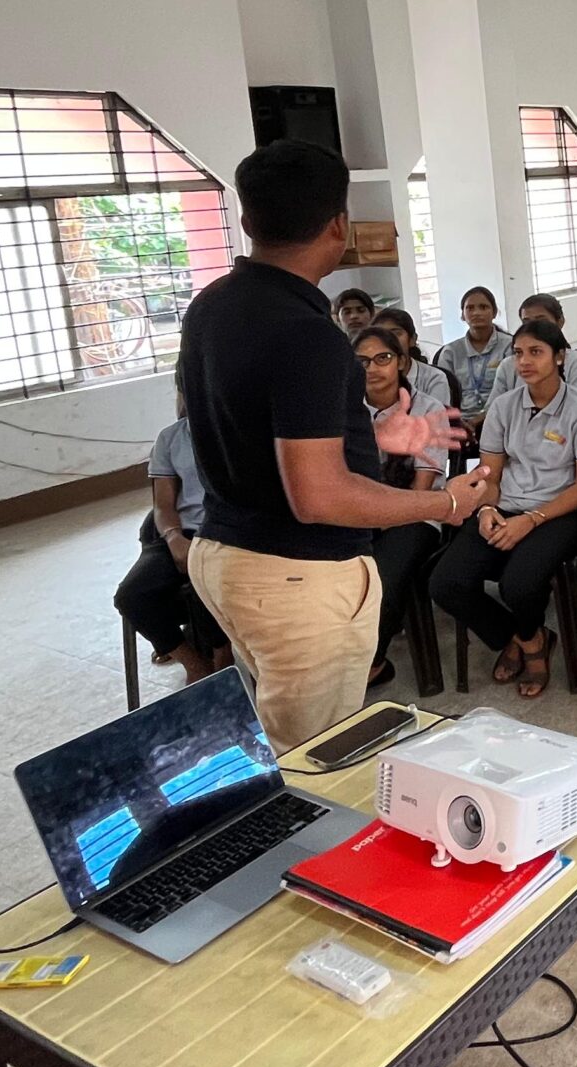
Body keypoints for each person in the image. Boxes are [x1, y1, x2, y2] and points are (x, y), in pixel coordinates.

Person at [179, 141, 463, 750]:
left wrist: (368, 436)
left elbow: (252, 429)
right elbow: (318, 496)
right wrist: (445, 503)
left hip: (224, 553)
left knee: (285, 733)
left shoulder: (211, 306)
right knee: (314, 757)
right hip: (295, 576)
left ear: (247, 220)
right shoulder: (308, 335)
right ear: (339, 226)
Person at [428, 317, 577, 700]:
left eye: (536, 352)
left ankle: (530, 645)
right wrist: (485, 510)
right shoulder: (504, 407)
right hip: (504, 506)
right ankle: (526, 637)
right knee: (445, 583)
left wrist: (532, 519)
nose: (524, 361)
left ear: (560, 357)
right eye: (518, 353)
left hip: (562, 512)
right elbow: (489, 475)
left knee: (519, 584)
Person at [353, 325, 449, 682]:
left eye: (383, 358)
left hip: (418, 513)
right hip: (361, 513)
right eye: (362, 361)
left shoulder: (428, 409)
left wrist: (380, 517)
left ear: (402, 362)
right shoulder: (345, 411)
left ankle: (370, 664)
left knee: (382, 578)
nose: (372, 368)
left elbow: (422, 490)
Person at [113, 386, 227, 683]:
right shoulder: (171, 438)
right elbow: (163, 506)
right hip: (182, 532)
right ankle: (195, 665)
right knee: (131, 596)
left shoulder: (238, 430)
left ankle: (224, 661)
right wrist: (175, 538)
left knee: (207, 583)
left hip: (226, 532)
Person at [435, 286, 510, 446]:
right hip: (459, 421)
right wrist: (458, 421)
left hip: (501, 418)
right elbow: (443, 394)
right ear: (462, 315)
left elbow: (511, 391)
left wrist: (478, 420)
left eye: (483, 307)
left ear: (494, 312)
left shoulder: (509, 346)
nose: (476, 313)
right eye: (470, 308)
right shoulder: (450, 352)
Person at [370, 305, 453, 411]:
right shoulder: (368, 378)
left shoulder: (434, 378)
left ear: (412, 339)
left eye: (396, 333)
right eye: (381, 335)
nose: (389, 340)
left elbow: (436, 418)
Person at [519, 293, 577, 398]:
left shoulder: (576, 364)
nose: (533, 329)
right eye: (526, 323)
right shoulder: (509, 366)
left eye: (541, 321)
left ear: (560, 322)